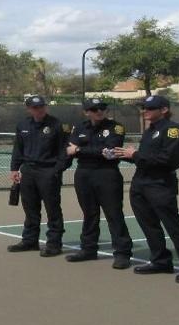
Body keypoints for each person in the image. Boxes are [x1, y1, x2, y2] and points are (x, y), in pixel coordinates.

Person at [113, 94, 179, 283]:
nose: (145, 111)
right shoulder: (150, 130)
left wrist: (136, 154)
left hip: (160, 184)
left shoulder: (173, 131)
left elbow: (168, 160)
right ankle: (160, 260)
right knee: (149, 225)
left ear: (163, 110)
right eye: (143, 108)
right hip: (141, 183)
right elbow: (146, 158)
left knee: (173, 226)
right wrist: (124, 155)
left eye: (149, 108)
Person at [65, 98, 132, 269]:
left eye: (102, 108)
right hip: (84, 174)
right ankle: (88, 249)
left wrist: (80, 150)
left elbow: (110, 152)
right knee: (89, 214)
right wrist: (93, 151)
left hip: (107, 174)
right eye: (94, 109)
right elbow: (69, 150)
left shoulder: (115, 127)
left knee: (114, 214)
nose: (99, 111)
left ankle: (122, 253)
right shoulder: (79, 127)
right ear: (86, 112)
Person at [8, 95, 70, 257]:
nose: (39, 109)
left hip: (48, 171)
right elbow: (18, 149)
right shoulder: (22, 125)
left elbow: (64, 151)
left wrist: (57, 170)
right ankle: (30, 240)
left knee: (52, 209)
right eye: (35, 107)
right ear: (29, 109)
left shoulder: (58, 125)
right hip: (28, 171)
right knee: (30, 208)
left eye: (41, 106)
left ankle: (54, 243)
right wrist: (14, 169)